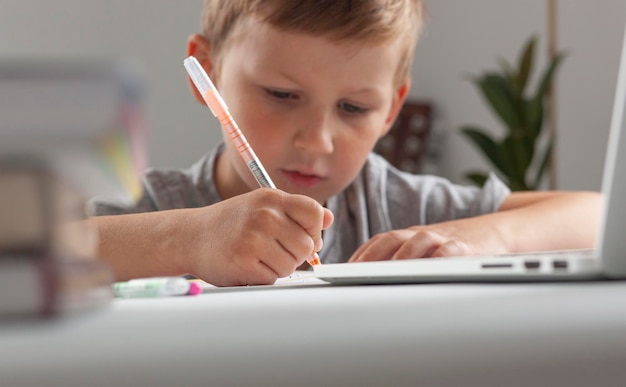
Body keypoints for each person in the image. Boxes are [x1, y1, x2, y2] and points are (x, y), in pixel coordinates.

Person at [87, 0, 602, 287]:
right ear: (209, 74)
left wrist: (485, 242)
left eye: (354, 108)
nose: (317, 141)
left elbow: (594, 214)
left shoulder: (404, 208)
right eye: (282, 94)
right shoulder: (153, 209)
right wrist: (186, 239)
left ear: (392, 108)